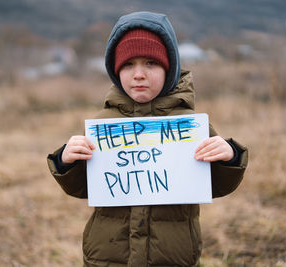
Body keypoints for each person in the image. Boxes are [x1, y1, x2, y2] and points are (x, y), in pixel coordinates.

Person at [47, 11, 248, 267]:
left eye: (150, 63)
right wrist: (67, 162)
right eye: (128, 64)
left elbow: (218, 185)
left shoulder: (190, 126)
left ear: (169, 68)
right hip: (108, 257)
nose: (138, 74)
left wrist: (229, 157)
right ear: (115, 70)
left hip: (174, 257)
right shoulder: (103, 125)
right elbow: (83, 188)